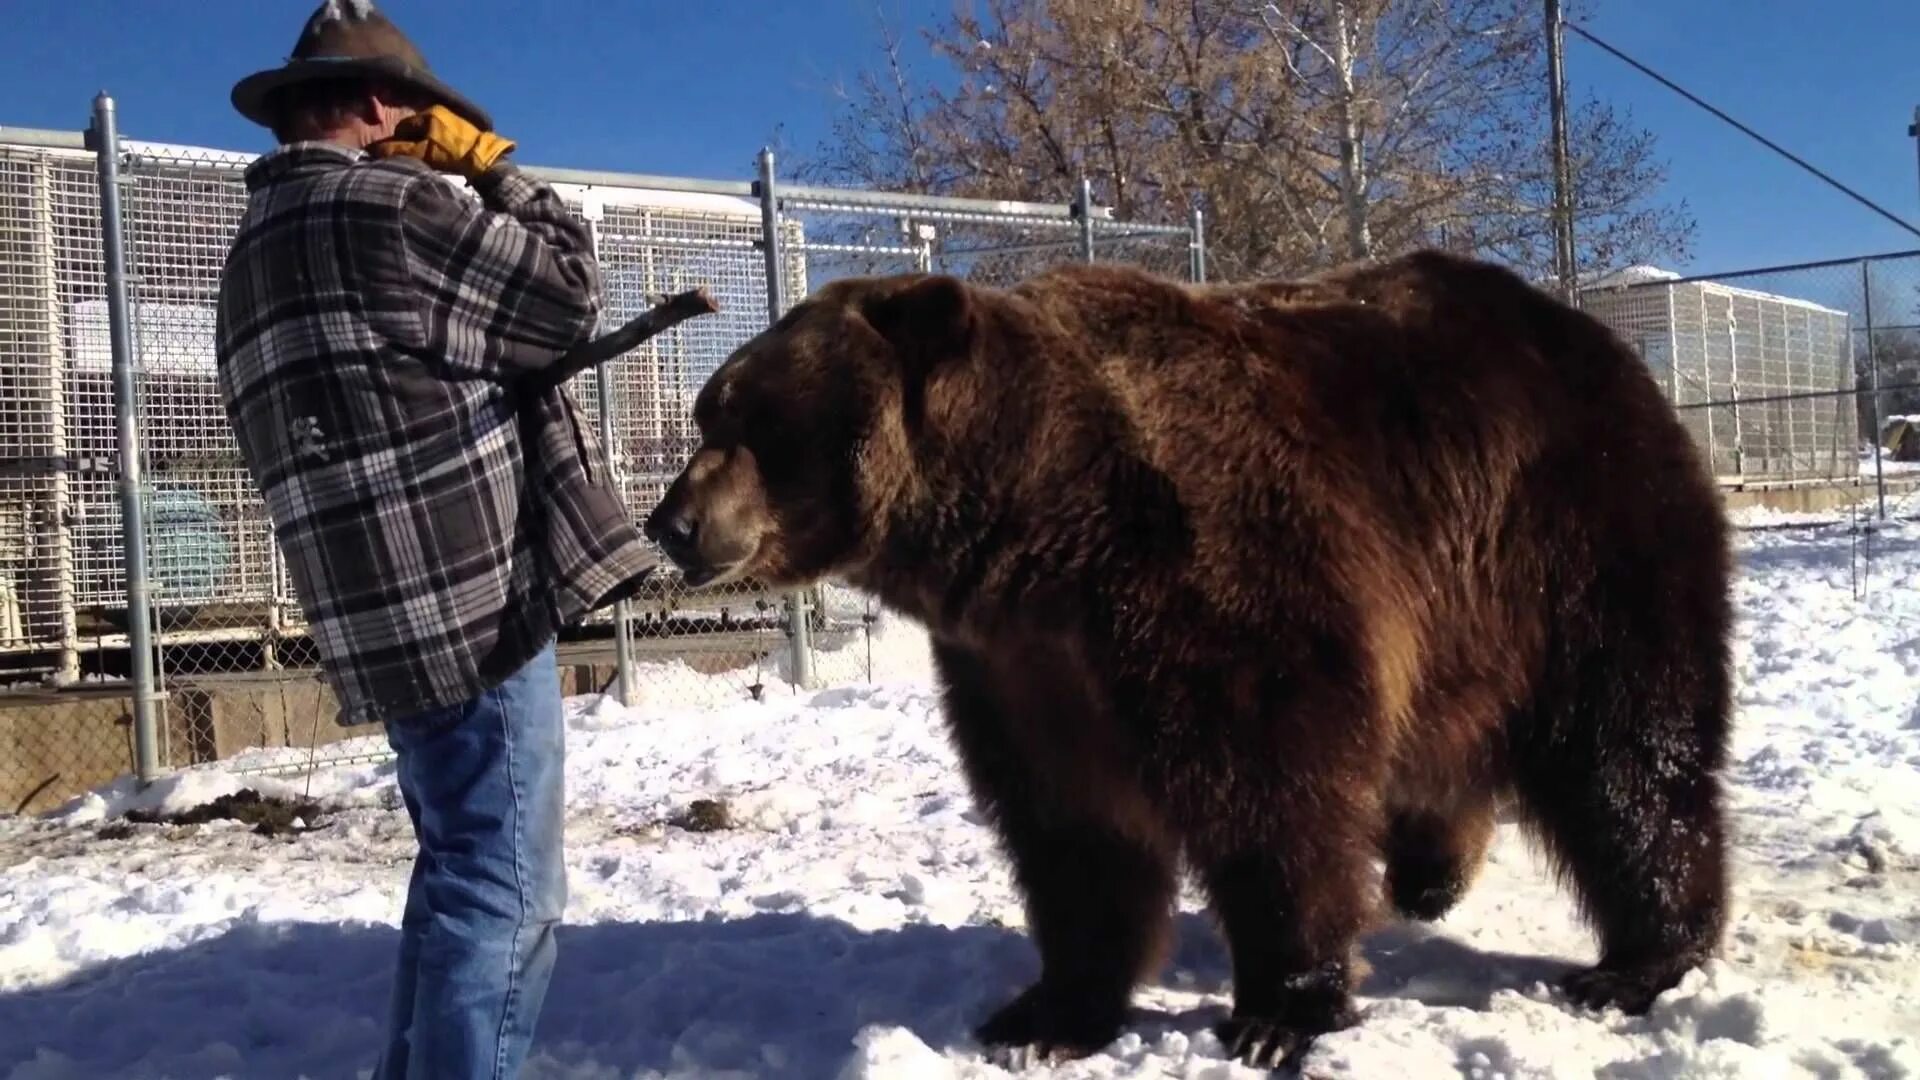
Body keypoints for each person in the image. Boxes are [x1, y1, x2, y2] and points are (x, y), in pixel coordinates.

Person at [215, 2, 658, 1076]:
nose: (429, 132)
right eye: (419, 111)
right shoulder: (394, 209)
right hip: (472, 606)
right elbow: (562, 298)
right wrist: (497, 172)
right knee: (507, 888)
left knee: (457, 863)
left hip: (375, 621)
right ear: (376, 105)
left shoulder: (249, 253)